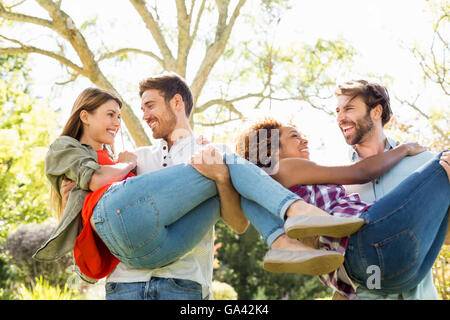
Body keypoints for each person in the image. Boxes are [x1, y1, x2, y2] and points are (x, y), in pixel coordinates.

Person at [34, 78, 362, 300]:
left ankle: (285, 235)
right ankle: (289, 222)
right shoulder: (137, 157)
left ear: (177, 102)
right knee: (229, 162)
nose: (143, 115)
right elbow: (102, 198)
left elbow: (237, 224)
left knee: (227, 165)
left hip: (183, 282)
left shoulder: (216, 152)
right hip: (125, 283)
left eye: (149, 105)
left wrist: (221, 178)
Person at [236, 118, 449, 300]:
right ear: (270, 149)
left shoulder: (272, 196)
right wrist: (405, 148)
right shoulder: (286, 168)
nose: (304, 140)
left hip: (389, 277)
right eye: (294, 136)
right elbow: (361, 172)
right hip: (366, 244)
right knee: (445, 158)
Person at [334, 79, 448, 300]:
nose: (340, 118)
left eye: (348, 108)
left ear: (376, 112)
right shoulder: (337, 179)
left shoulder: (425, 164)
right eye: (337, 110)